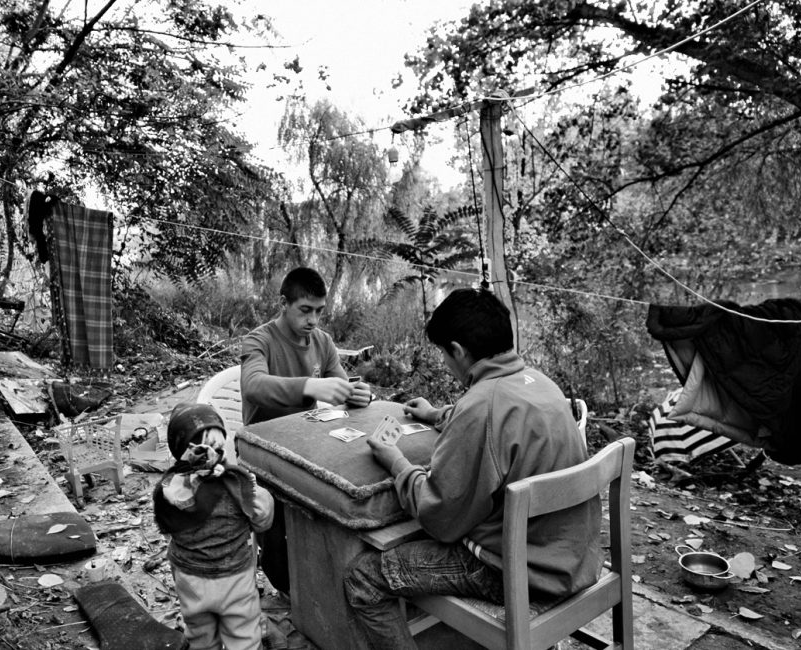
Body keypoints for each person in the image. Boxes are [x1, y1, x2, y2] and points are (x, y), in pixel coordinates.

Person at [344, 288, 601, 649]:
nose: (447, 364)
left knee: (363, 578)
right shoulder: (542, 384)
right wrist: (439, 414)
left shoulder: (480, 408)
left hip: (517, 573)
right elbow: (498, 424)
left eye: (445, 355)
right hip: (574, 558)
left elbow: (441, 517)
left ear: (459, 351)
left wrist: (395, 461)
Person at [239, 266, 373, 594]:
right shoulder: (259, 340)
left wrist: (357, 393)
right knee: (278, 522)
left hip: (308, 441)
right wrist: (311, 386)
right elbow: (254, 385)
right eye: (305, 310)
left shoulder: (322, 342)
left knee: (339, 489)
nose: (312, 320)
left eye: (319, 312)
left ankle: (329, 570)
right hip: (265, 447)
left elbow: (341, 383)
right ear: (283, 303)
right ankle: (284, 580)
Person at [153, 403, 275, 650]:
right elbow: (263, 520)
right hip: (236, 580)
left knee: (201, 638)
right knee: (243, 638)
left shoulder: (168, 488)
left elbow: (167, 527)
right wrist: (254, 489)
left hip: (190, 581)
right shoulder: (237, 484)